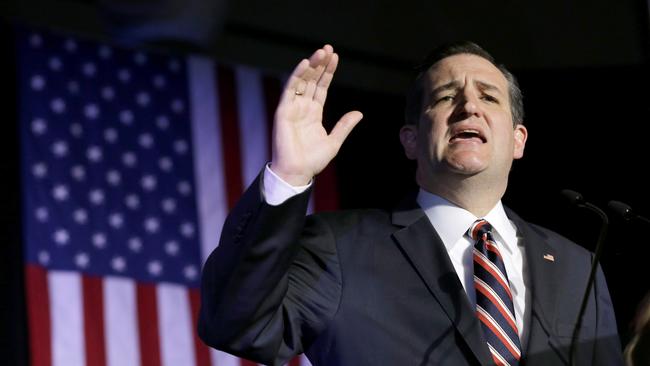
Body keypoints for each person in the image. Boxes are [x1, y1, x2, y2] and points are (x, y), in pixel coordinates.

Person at [198, 42, 623, 365]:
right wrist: (288, 177)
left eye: (489, 97)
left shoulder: (576, 267)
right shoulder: (339, 247)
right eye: (445, 98)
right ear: (411, 139)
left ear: (518, 140)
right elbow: (236, 323)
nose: (469, 107)